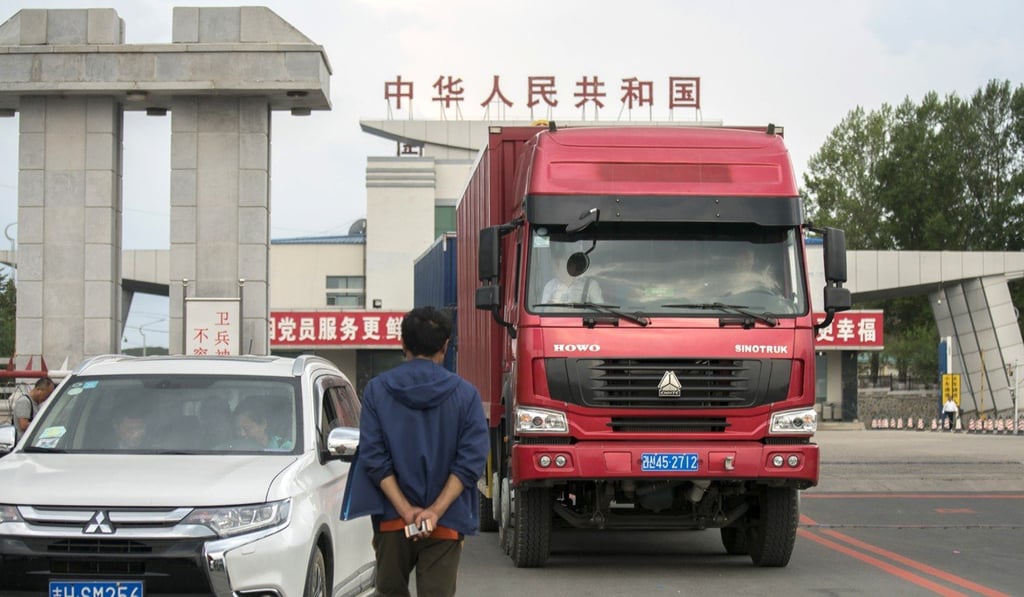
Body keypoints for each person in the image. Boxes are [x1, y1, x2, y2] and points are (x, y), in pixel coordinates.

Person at [347, 306, 488, 597]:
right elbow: (470, 461)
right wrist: (434, 512)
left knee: (389, 592)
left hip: (392, 519)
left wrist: (406, 511)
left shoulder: (377, 390)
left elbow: (374, 458)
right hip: (446, 521)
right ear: (445, 346)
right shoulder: (466, 395)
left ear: (403, 344)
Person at [12, 377, 55, 444]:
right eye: (47, 394)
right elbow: (23, 425)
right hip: (23, 443)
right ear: (39, 390)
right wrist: (43, 426)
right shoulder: (24, 402)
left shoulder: (36, 404)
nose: (47, 398)